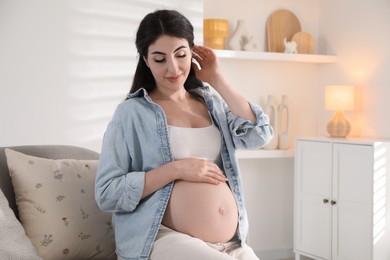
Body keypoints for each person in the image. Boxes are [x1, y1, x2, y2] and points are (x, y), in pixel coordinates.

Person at [95, 9, 273, 260]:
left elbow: (260, 135)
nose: (173, 68)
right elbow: (107, 193)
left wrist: (217, 78)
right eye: (159, 59)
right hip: (163, 237)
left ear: (192, 51)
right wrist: (176, 169)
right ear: (145, 60)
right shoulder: (131, 113)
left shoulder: (211, 102)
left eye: (181, 55)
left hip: (231, 242)